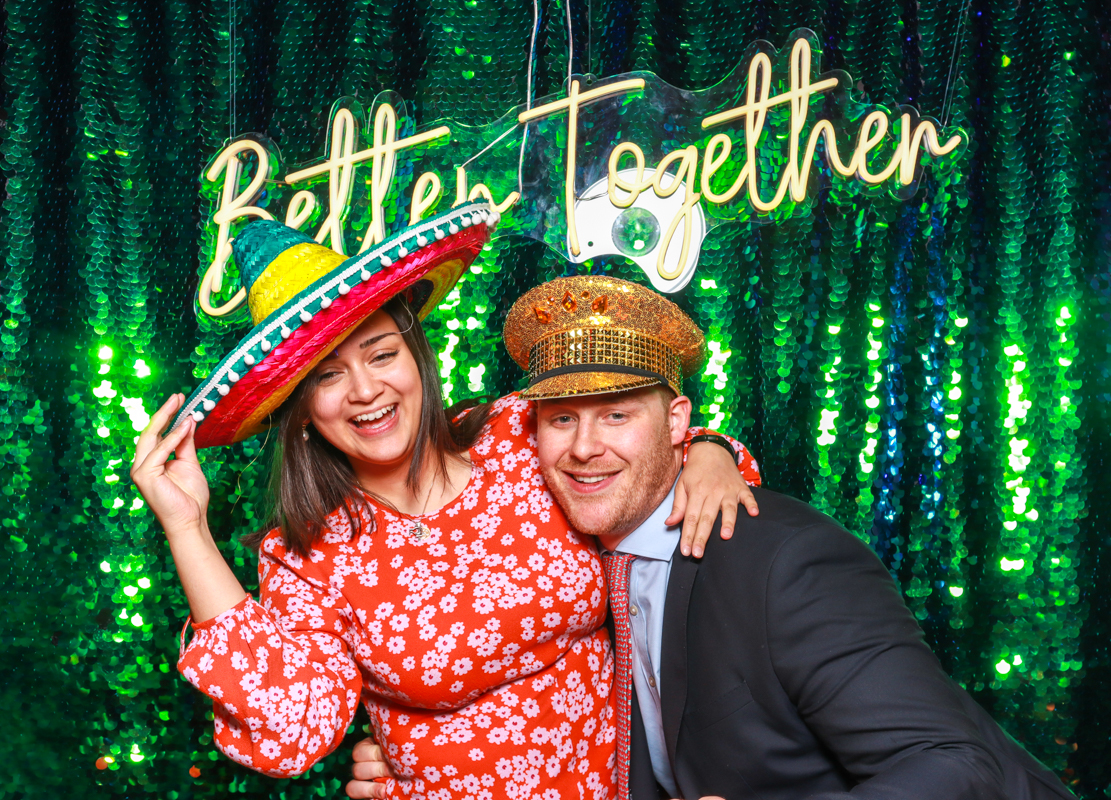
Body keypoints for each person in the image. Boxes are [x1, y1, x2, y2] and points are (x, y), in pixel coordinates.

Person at [350, 275, 1075, 800]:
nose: (583, 448)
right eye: (562, 419)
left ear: (675, 425)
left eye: (616, 415)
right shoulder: (587, 562)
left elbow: (955, 765)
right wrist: (419, 756)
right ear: (528, 435)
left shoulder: (782, 560)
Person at [131, 206, 761, 798]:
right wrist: (188, 528)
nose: (365, 390)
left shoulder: (516, 435)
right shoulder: (312, 552)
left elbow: (644, 463)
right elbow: (289, 730)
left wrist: (710, 453)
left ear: (418, 357)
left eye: (382, 354)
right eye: (327, 375)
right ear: (300, 411)